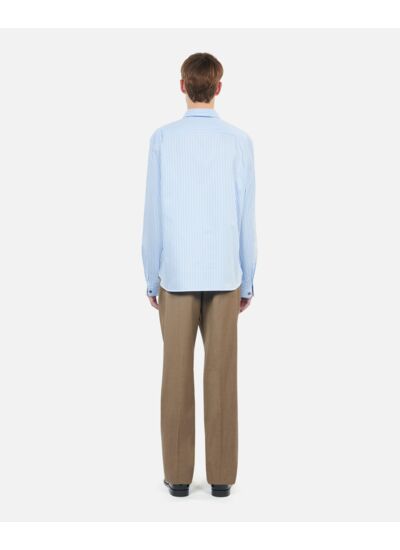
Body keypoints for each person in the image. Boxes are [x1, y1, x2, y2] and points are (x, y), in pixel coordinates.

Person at [141, 52, 257, 498]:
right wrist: (248, 279)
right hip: (225, 273)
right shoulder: (239, 141)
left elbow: (153, 214)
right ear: (219, 88)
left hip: (176, 275)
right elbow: (246, 217)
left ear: (183, 86)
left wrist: (151, 276)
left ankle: (178, 478)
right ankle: (222, 479)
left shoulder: (163, 139)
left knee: (175, 375)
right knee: (222, 376)